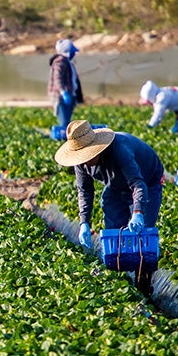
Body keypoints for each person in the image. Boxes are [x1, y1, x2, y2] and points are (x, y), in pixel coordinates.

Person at [54, 120, 164, 297]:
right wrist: (84, 222)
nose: (85, 160)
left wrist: (137, 213)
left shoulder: (119, 150)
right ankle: (119, 282)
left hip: (146, 180)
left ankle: (143, 284)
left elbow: (138, 184)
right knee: (113, 224)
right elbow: (84, 191)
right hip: (115, 184)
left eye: (87, 155)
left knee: (143, 234)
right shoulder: (81, 163)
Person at [48, 39, 83, 128]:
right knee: (64, 123)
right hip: (60, 97)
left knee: (67, 121)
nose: (74, 54)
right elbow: (57, 78)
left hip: (67, 95)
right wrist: (64, 92)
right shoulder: (60, 61)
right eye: (72, 51)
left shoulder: (67, 62)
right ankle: (63, 139)